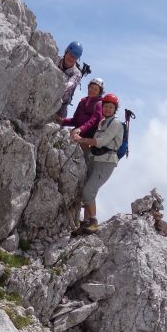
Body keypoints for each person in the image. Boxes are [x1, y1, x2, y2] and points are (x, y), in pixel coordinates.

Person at [73, 93, 124, 234]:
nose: (107, 109)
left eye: (110, 107)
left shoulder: (116, 124)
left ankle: (93, 222)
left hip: (106, 162)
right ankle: (85, 224)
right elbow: (96, 142)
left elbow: (101, 141)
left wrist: (81, 139)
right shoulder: (102, 123)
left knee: (88, 191)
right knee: (87, 191)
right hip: (95, 159)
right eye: (105, 106)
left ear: (115, 109)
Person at [59, 78, 105, 142]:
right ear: (88, 87)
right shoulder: (82, 102)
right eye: (91, 87)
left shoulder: (99, 103)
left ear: (99, 92)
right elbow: (75, 120)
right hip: (78, 131)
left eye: (96, 89)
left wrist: (80, 129)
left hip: (89, 135)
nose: (92, 90)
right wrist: (63, 121)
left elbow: (93, 120)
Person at [56, 41, 83, 119]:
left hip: (62, 104)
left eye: (74, 57)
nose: (71, 58)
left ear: (77, 59)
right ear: (66, 52)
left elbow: (69, 85)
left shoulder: (77, 74)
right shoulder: (56, 58)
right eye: (70, 54)